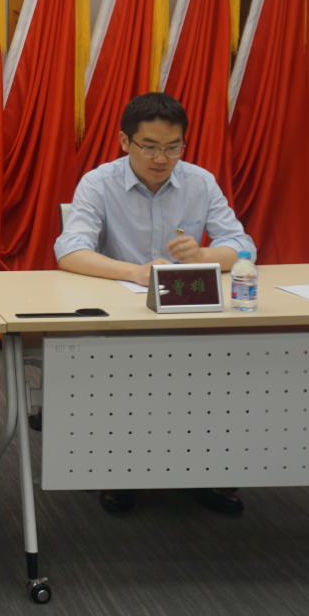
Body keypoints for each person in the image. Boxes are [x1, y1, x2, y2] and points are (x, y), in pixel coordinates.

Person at [55, 91, 255, 516]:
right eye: (149, 146)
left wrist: (202, 255)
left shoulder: (200, 181)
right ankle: (118, 470)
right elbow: (69, 251)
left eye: (173, 147)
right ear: (125, 141)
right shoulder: (99, 182)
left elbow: (242, 248)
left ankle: (201, 471)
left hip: (186, 311)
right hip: (121, 314)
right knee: (126, 377)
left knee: (214, 374)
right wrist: (135, 271)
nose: (162, 159)